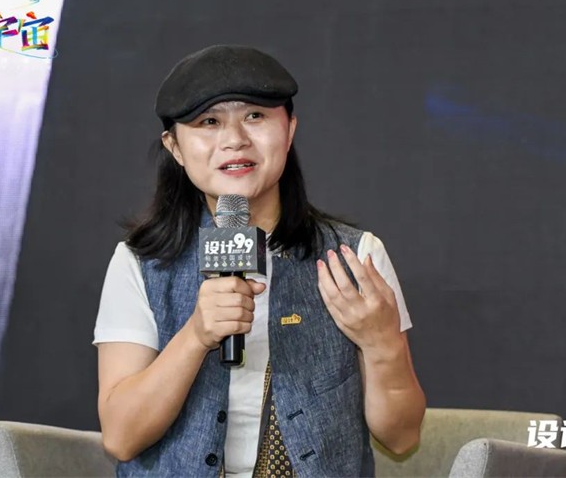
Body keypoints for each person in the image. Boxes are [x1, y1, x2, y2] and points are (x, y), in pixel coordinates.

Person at [93, 44, 426, 477]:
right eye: (209, 122)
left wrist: (383, 345)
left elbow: (402, 437)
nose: (235, 140)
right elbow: (121, 437)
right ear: (174, 146)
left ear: (289, 130)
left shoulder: (354, 257)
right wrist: (196, 335)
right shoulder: (141, 262)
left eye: (255, 116)